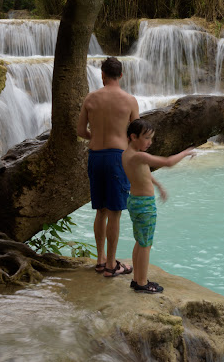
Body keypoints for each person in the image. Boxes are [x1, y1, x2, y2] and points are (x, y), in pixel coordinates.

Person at [77, 57, 139, 278]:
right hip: (117, 158)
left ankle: (100, 260)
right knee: (114, 213)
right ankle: (112, 265)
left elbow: (80, 130)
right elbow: (136, 135)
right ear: (121, 75)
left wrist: (97, 137)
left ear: (102, 74)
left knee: (100, 211)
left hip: (95, 156)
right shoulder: (129, 100)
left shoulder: (90, 99)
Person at [122, 119, 194, 293]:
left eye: (151, 138)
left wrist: (158, 185)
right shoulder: (139, 155)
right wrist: (184, 153)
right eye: (146, 138)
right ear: (133, 136)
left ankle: (136, 279)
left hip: (134, 200)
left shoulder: (128, 154)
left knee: (140, 241)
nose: (150, 142)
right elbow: (168, 162)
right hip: (144, 204)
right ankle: (142, 283)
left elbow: (144, 172)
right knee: (146, 244)